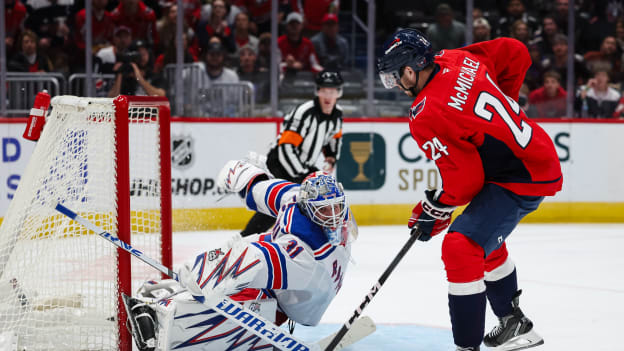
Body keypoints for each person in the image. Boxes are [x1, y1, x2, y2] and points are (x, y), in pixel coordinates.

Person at [377, 29, 563, 351]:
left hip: (519, 175)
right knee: (479, 236)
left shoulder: (426, 114)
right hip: (532, 155)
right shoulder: (456, 58)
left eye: (396, 76)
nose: (396, 85)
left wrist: (437, 206)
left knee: (460, 247)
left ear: (410, 70)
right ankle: (513, 322)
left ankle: (467, 347)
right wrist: (505, 106)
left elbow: (465, 182)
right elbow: (516, 51)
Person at [122, 161, 357, 351]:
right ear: (305, 205)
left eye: (336, 207)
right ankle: (171, 294)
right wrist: (246, 177)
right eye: (325, 209)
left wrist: (207, 272)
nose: (334, 217)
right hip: (294, 274)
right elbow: (257, 190)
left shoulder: (308, 256)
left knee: (231, 273)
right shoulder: (293, 197)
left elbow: (256, 261)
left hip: (300, 299)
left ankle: (177, 320)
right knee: (238, 255)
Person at [241, 70, 344, 237]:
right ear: (317, 91)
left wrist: (331, 158)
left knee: (318, 198)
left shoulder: (337, 114)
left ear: (339, 93)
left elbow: (334, 138)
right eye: (324, 90)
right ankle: (245, 237)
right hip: (280, 164)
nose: (328, 95)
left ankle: (311, 237)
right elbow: (286, 146)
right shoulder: (304, 112)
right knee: (277, 205)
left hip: (302, 166)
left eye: (332, 91)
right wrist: (302, 176)